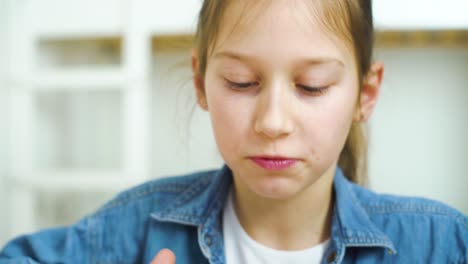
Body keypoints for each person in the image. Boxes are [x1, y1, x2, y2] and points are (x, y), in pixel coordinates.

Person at [1, 0, 467, 263]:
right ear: (202, 82)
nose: (272, 122)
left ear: (365, 95)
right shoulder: (134, 231)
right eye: (241, 83)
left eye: (311, 86)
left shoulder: (440, 244)